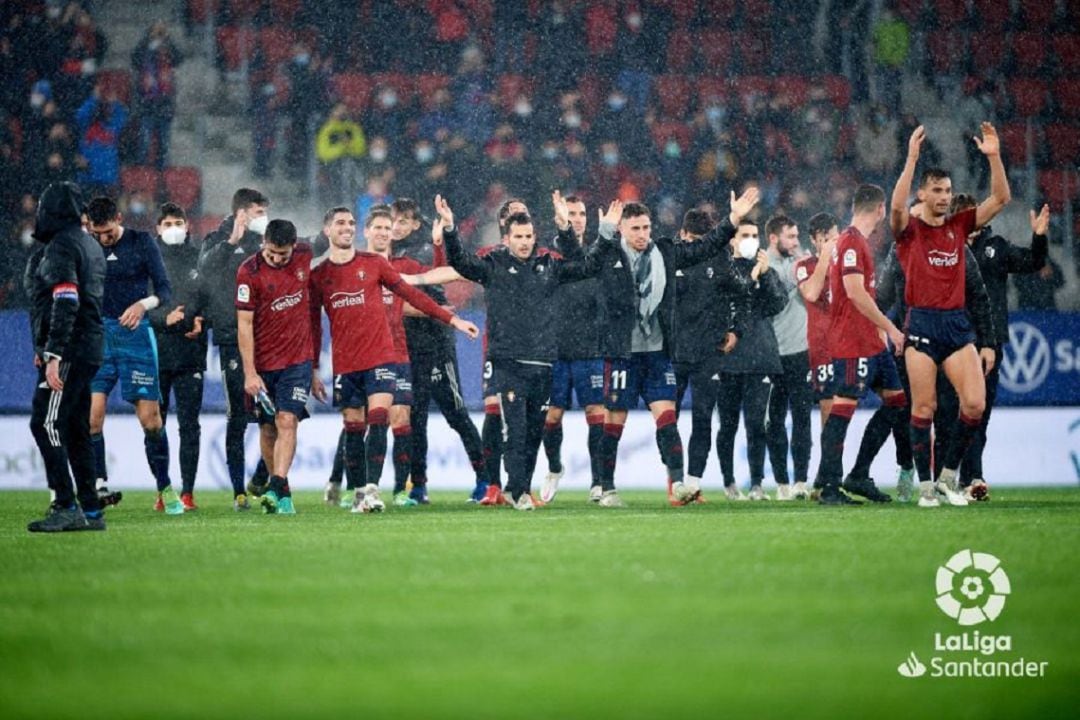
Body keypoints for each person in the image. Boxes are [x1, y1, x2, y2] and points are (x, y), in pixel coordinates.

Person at [578, 189, 759, 506]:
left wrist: (732, 219)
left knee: (667, 416)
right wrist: (603, 232)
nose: (643, 234)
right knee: (615, 420)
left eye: (646, 227)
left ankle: (677, 484)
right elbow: (586, 264)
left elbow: (706, 246)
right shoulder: (609, 254)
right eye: (635, 228)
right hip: (622, 352)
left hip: (658, 351)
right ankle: (605, 487)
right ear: (622, 229)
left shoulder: (666, 251)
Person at [442, 194, 606, 510]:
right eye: (518, 237)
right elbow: (461, 263)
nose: (524, 242)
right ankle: (514, 491)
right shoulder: (493, 264)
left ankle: (521, 489)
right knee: (514, 431)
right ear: (506, 239)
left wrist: (569, 229)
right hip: (508, 362)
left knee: (533, 434)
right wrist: (450, 231)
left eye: (529, 236)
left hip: (543, 362)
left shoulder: (549, 264)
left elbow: (585, 266)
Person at [311, 207, 478, 513]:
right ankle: (354, 488)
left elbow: (415, 294)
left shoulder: (376, 265)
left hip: (385, 356)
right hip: (347, 361)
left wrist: (451, 320)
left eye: (350, 222)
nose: (346, 227)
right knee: (352, 426)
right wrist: (311, 367)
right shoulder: (319, 276)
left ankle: (377, 490)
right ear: (329, 231)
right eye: (341, 223)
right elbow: (310, 322)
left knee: (383, 419)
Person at [890, 123, 1010, 507]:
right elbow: (895, 207)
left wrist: (993, 157)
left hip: (957, 325)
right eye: (937, 191)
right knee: (924, 408)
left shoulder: (959, 226)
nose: (944, 197)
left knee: (974, 404)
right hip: (921, 323)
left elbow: (1001, 198)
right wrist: (910, 158)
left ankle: (947, 477)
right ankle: (925, 488)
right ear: (922, 193)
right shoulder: (908, 230)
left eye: (947, 191)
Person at [931, 196, 1046, 500]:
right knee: (945, 414)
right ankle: (942, 478)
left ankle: (972, 478)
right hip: (950, 342)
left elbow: (1033, 262)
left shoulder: (996, 247)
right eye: (961, 216)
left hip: (987, 345)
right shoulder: (941, 247)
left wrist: (1039, 238)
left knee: (977, 415)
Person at [389, 197, 489, 501]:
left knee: (456, 414)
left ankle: (486, 480)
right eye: (394, 220)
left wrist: (438, 243)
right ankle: (417, 486)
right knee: (414, 418)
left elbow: (440, 289)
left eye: (404, 221)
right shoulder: (387, 256)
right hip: (407, 348)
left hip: (435, 344)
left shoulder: (420, 251)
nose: (397, 226)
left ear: (416, 224)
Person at [813, 184, 907, 506]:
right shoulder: (851, 243)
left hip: (871, 342)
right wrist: (891, 327)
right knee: (842, 411)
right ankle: (829, 486)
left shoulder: (851, 242)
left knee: (897, 403)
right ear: (881, 209)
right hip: (853, 342)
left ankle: (859, 474)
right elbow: (854, 292)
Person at [84, 196, 179, 514]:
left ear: (120, 219)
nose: (104, 238)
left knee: (151, 421)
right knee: (92, 417)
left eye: (108, 232)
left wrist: (142, 305)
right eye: (98, 233)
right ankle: (98, 486)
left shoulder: (141, 243)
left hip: (135, 337)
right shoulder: (87, 247)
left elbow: (164, 291)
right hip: (99, 338)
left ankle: (165, 488)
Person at [25, 181, 108, 532]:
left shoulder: (60, 246)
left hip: (70, 349)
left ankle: (64, 504)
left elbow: (66, 298)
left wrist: (54, 351)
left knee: (44, 422)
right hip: (89, 346)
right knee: (74, 427)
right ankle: (90, 508)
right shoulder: (89, 243)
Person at [236, 219, 316, 515]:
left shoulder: (305, 254)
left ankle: (277, 484)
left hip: (297, 360)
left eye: (283, 254)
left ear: (294, 247)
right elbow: (244, 326)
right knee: (268, 429)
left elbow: (331, 239)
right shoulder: (249, 271)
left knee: (287, 420)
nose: (277, 258)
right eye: (271, 252)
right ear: (263, 243)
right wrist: (249, 372)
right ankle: (281, 491)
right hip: (264, 363)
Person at [198, 188, 270, 509]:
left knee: (276, 415)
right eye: (258, 211)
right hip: (231, 339)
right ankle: (239, 490)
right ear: (241, 213)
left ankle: (262, 476)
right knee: (237, 417)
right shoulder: (216, 240)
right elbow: (204, 272)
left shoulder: (264, 242)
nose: (262, 217)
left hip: (269, 340)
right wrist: (231, 242)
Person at [539, 194, 607, 504]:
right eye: (571, 213)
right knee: (552, 416)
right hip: (555, 350)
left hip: (589, 350)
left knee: (595, 411)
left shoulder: (598, 256)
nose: (578, 218)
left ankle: (597, 481)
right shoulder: (549, 258)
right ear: (560, 218)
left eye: (581, 213)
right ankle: (554, 467)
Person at [713, 221, 786, 501]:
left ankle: (756, 484)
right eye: (745, 235)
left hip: (759, 358)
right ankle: (729, 482)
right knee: (728, 426)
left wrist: (765, 275)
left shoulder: (767, 271)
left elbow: (778, 304)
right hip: (727, 359)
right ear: (732, 241)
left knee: (756, 424)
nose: (751, 240)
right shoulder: (721, 272)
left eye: (755, 235)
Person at [671, 209, 739, 503]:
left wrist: (735, 328)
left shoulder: (720, 256)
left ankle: (693, 483)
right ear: (683, 234)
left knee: (703, 418)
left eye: (703, 239)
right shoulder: (671, 255)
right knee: (667, 419)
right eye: (693, 239)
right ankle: (674, 479)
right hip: (673, 351)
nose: (698, 245)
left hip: (709, 351)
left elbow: (737, 294)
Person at [147, 202, 207, 509]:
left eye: (178, 222)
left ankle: (188, 491)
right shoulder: (147, 259)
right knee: (154, 424)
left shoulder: (200, 258)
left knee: (189, 425)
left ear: (187, 226)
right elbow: (136, 308)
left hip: (191, 356)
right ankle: (162, 488)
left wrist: (202, 320)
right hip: (155, 355)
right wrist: (163, 319)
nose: (173, 228)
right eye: (167, 223)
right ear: (158, 228)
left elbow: (212, 299)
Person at [763, 214, 815, 500]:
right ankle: (782, 483)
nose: (796, 242)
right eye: (790, 237)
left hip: (801, 351)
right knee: (774, 420)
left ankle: (801, 482)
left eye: (797, 236)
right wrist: (802, 267)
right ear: (773, 238)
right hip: (772, 355)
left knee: (803, 417)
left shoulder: (801, 263)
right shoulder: (763, 266)